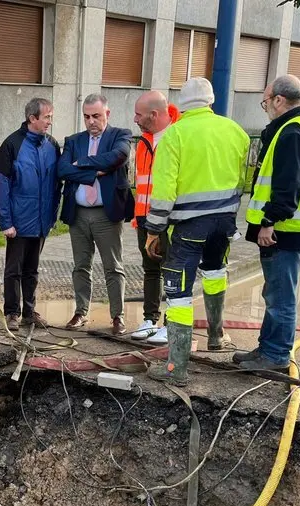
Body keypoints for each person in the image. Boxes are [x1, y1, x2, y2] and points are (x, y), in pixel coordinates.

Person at [144, 77, 250, 386]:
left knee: (178, 291)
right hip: (225, 223)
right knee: (215, 272)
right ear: (210, 101)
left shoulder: (175, 135)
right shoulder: (236, 131)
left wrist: (154, 230)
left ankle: (177, 368)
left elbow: (163, 191)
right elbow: (241, 178)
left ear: (182, 104)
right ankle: (217, 336)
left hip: (190, 226)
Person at [237, 75, 300, 372]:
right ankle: (268, 347)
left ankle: (275, 354)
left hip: (284, 231)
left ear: (278, 99)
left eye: (266, 101)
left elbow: (289, 185)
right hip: (289, 230)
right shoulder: (299, 126)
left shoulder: (292, 132)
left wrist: (269, 221)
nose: (266, 108)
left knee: (280, 295)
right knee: (275, 291)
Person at [57, 94, 134, 333]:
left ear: (107, 114)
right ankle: (80, 312)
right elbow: (63, 169)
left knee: (113, 266)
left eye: (96, 116)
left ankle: (117, 317)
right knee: (81, 266)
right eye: (87, 116)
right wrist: (94, 173)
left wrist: (82, 163)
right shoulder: (73, 140)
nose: (91, 121)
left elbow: (118, 157)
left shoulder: (120, 135)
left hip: (106, 214)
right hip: (78, 213)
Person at [0, 97, 62, 330]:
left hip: (41, 221)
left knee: (32, 269)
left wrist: (51, 216)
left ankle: (30, 312)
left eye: (51, 116)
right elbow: (0, 185)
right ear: (32, 118)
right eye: (47, 117)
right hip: (19, 222)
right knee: (14, 269)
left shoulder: (52, 145)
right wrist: (5, 222)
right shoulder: (12, 144)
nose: (50, 121)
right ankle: (12, 312)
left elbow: (55, 185)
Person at [131, 91, 181, 345]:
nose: (135, 119)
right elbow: (143, 183)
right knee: (150, 269)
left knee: (172, 269)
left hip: (171, 219)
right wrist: (139, 216)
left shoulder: (178, 136)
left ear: (154, 114)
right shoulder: (143, 141)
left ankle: (171, 323)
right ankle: (150, 319)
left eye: (139, 115)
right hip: (145, 217)